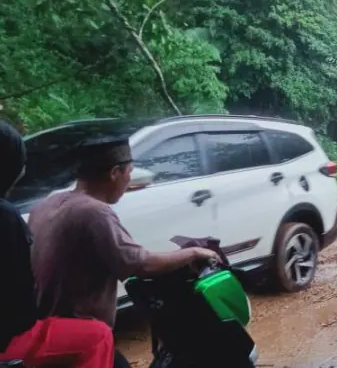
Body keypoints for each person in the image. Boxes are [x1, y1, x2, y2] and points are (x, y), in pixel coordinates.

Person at [27, 136, 220, 367]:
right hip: (78, 338)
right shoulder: (94, 212)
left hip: (44, 330)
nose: (129, 181)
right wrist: (194, 253)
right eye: (129, 172)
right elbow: (141, 264)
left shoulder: (47, 203)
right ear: (114, 173)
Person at [0, 120, 115, 368]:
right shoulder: (6, 217)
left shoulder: (44, 204)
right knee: (98, 336)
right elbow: (20, 297)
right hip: (9, 338)